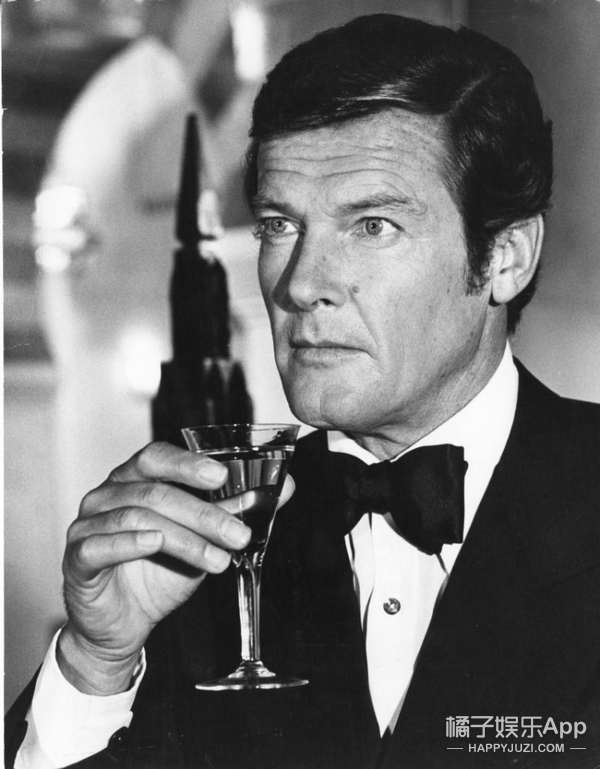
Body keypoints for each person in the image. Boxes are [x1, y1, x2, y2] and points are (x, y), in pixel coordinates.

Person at [6, 13, 600, 769]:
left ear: (506, 257)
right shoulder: (207, 552)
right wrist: (96, 660)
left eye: (373, 225)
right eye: (279, 226)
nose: (301, 285)